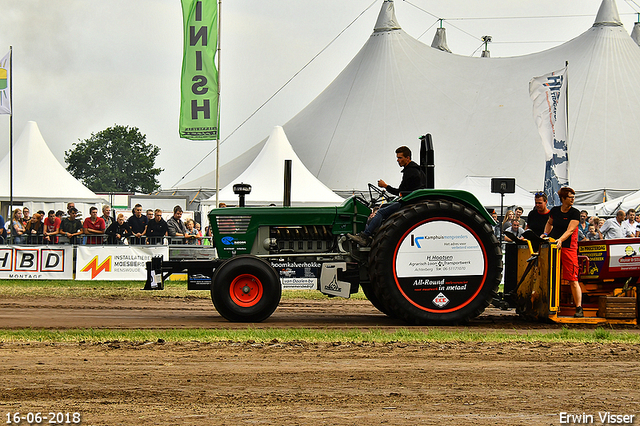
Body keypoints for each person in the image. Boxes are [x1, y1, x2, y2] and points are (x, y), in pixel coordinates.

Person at [347, 146, 426, 246]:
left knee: (380, 212)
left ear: (408, 158)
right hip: (409, 199)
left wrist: (385, 186)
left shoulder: (410, 171)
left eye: (400, 158)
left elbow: (399, 192)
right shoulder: (414, 170)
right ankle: (372, 234)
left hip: (407, 202)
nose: (398, 160)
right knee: (382, 206)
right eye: (397, 158)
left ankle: (365, 237)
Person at [544, 187, 582, 318]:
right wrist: (545, 234)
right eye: (570, 197)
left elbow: (570, 230)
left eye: (573, 197)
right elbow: (549, 223)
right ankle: (548, 304)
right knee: (550, 275)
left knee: (572, 278)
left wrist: (560, 240)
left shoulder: (575, 213)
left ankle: (579, 308)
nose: (572, 199)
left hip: (567, 247)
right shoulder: (555, 211)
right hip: (553, 245)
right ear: (563, 199)